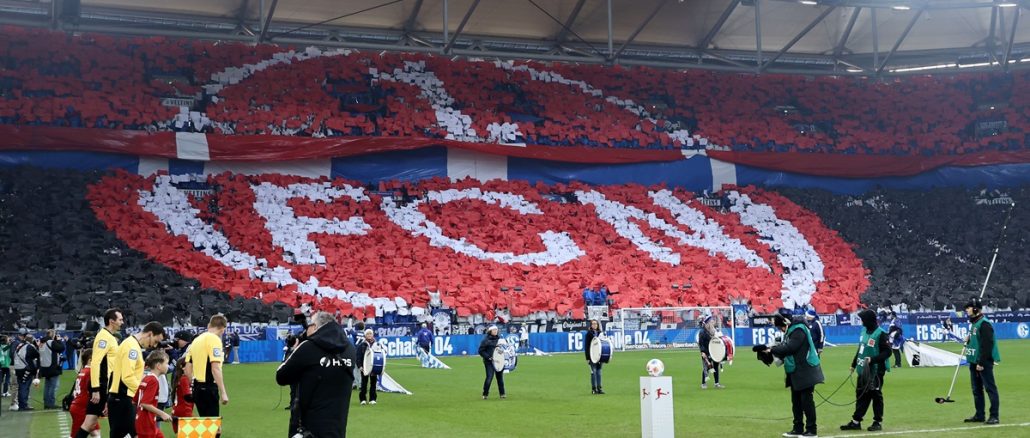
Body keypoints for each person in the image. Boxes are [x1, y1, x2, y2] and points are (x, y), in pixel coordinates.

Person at [276, 311, 356, 438]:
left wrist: (292, 351)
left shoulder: (308, 347)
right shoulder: (350, 348)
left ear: (314, 326)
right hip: (338, 426)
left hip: (309, 427)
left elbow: (281, 376)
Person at [768, 309, 824, 438]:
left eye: (780, 327)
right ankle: (798, 428)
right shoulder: (793, 330)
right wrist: (770, 351)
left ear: (785, 323)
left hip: (806, 370)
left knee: (806, 401)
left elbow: (790, 348)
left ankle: (811, 430)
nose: (781, 330)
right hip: (796, 370)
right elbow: (786, 348)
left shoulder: (799, 330)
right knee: (797, 401)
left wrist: (772, 350)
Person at [107, 321, 165, 438]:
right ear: (150, 334)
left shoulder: (133, 345)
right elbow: (127, 376)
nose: (154, 346)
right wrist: (142, 392)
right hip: (123, 397)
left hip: (122, 397)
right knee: (133, 434)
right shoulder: (132, 347)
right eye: (155, 341)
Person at [840, 309, 892, 432]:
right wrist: (853, 364)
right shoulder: (863, 331)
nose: (861, 322)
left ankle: (877, 422)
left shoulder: (881, 334)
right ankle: (856, 422)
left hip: (876, 371)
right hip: (863, 369)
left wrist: (873, 359)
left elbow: (888, 352)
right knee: (861, 395)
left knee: (876, 395)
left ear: (868, 320)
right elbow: (861, 349)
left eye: (862, 319)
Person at [76, 308, 123, 438]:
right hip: (104, 385)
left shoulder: (109, 337)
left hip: (106, 384)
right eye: (120, 320)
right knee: (120, 421)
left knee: (89, 423)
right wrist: (96, 389)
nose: (122, 322)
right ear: (111, 321)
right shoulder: (104, 337)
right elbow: (96, 362)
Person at [184, 314, 231, 433]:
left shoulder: (196, 340)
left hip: (197, 388)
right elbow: (215, 368)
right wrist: (223, 392)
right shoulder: (214, 340)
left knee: (206, 426)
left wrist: (192, 384)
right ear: (223, 328)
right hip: (209, 387)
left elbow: (188, 367)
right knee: (214, 429)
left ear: (209, 325)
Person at [963, 297, 1000, 425]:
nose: (966, 310)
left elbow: (987, 345)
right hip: (974, 361)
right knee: (976, 390)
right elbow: (977, 341)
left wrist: (981, 363)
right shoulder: (975, 323)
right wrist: (969, 339)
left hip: (983, 362)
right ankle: (979, 415)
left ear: (975, 309)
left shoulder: (984, 324)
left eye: (968, 308)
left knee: (990, 389)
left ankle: (994, 416)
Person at [135, 350, 172, 438]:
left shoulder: (146, 378)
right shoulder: (153, 381)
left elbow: (135, 400)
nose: (168, 366)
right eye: (166, 363)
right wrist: (162, 413)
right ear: (158, 366)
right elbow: (144, 403)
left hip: (145, 421)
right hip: (146, 423)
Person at [69, 349, 101, 438]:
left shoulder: (83, 371)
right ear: (90, 360)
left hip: (80, 405)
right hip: (81, 408)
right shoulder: (90, 372)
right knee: (76, 435)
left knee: (95, 431)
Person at [39, 329, 67, 409]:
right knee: (53, 386)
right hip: (52, 366)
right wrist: (59, 340)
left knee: (47, 386)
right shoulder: (51, 342)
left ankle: (46, 403)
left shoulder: (42, 343)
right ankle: (51, 403)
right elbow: (61, 348)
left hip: (44, 366)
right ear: (53, 335)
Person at [13, 333, 40, 411]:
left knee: (21, 386)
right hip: (25, 368)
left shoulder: (19, 345)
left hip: (18, 368)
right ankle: (23, 405)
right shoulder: (29, 346)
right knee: (24, 387)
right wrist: (36, 346)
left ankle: (22, 404)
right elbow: (37, 354)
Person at [478, 325, 505, 400]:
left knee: (500, 378)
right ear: (490, 331)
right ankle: (485, 394)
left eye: (496, 330)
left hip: (499, 361)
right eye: (494, 330)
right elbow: (481, 351)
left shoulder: (500, 339)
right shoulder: (485, 340)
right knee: (489, 377)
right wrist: (488, 357)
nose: (495, 331)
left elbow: (504, 349)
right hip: (489, 362)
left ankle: (502, 394)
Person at [697, 316, 723, 390]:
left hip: (713, 351)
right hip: (706, 352)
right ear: (707, 323)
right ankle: (703, 383)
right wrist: (702, 352)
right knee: (707, 367)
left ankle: (717, 383)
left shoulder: (713, 331)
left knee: (715, 366)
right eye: (711, 322)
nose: (712, 323)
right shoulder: (702, 332)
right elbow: (701, 343)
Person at [355, 329, 379, 405]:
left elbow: (381, 354)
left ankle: (372, 399)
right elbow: (358, 357)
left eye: (370, 334)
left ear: (373, 335)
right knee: (364, 383)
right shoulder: (362, 345)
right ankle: (363, 399)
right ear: (365, 335)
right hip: (364, 367)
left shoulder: (377, 344)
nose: (369, 335)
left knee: (373, 383)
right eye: (368, 334)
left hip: (374, 367)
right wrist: (359, 366)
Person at [584, 319, 605, 394]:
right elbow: (586, 346)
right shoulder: (589, 334)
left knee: (599, 372)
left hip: (599, 355)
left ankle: (599, 388)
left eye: (595, 324)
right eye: (593, 324)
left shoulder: (600, 333)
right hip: (592, 355)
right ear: (591, 325)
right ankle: (594, 389)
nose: (594, 325)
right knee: (593, 372)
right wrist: (587, 357)